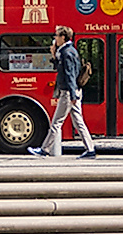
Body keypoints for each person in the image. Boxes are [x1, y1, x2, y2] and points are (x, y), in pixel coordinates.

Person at [31, 25, 98, 158]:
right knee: (78, 122)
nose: (54, 38)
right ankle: (90, 150)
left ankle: (44, 149)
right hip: (73, 91)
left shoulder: (67, 53)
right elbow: (63, 70)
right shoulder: (67, 51)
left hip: (68, 92)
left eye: (56, 36)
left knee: (57, 122)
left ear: (63, 37)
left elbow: (70, 75)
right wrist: (54, 55)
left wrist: (72, 94)